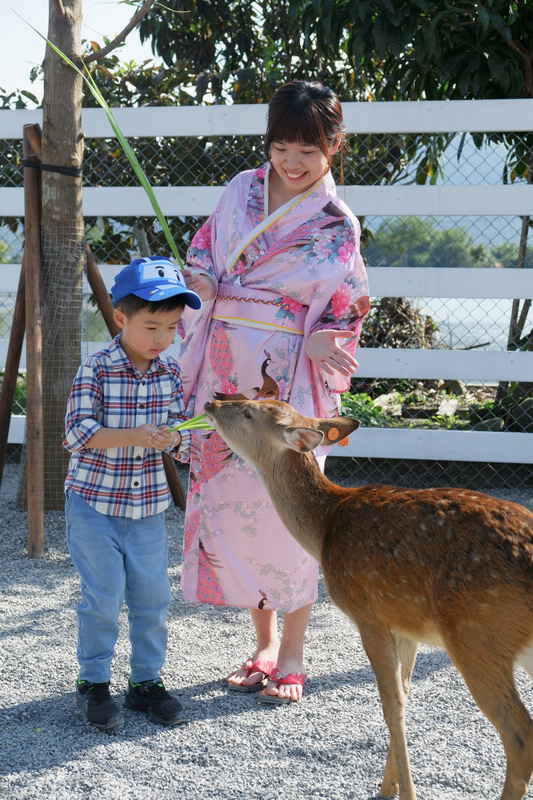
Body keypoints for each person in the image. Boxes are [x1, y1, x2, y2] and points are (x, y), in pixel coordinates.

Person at [177, 80, 370, 704]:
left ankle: (291, 653)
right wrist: (200, 283)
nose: (292, 160)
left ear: (333, 146)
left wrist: (327, 336)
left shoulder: (338, 224)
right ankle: (259, 644)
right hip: (224, 362)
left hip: (288, 373)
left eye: (308, 149)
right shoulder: (241, 190)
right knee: (233, 503)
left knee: (288, 507)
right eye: (282, 145)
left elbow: (348, 301)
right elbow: (205, 252)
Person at [64, 256, 202, 731]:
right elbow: (77, 433)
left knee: (153, 597)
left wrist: (175, 437)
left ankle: (145, 683)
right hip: (93, 506)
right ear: (120, 319)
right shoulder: (96, 369)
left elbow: (183, 426)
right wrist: (134, 433)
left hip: (146, 509)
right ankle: (93, 683)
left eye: (172, 327)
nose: (162, 338)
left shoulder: (170, 371)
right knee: (102, 597)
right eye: (151, 326)